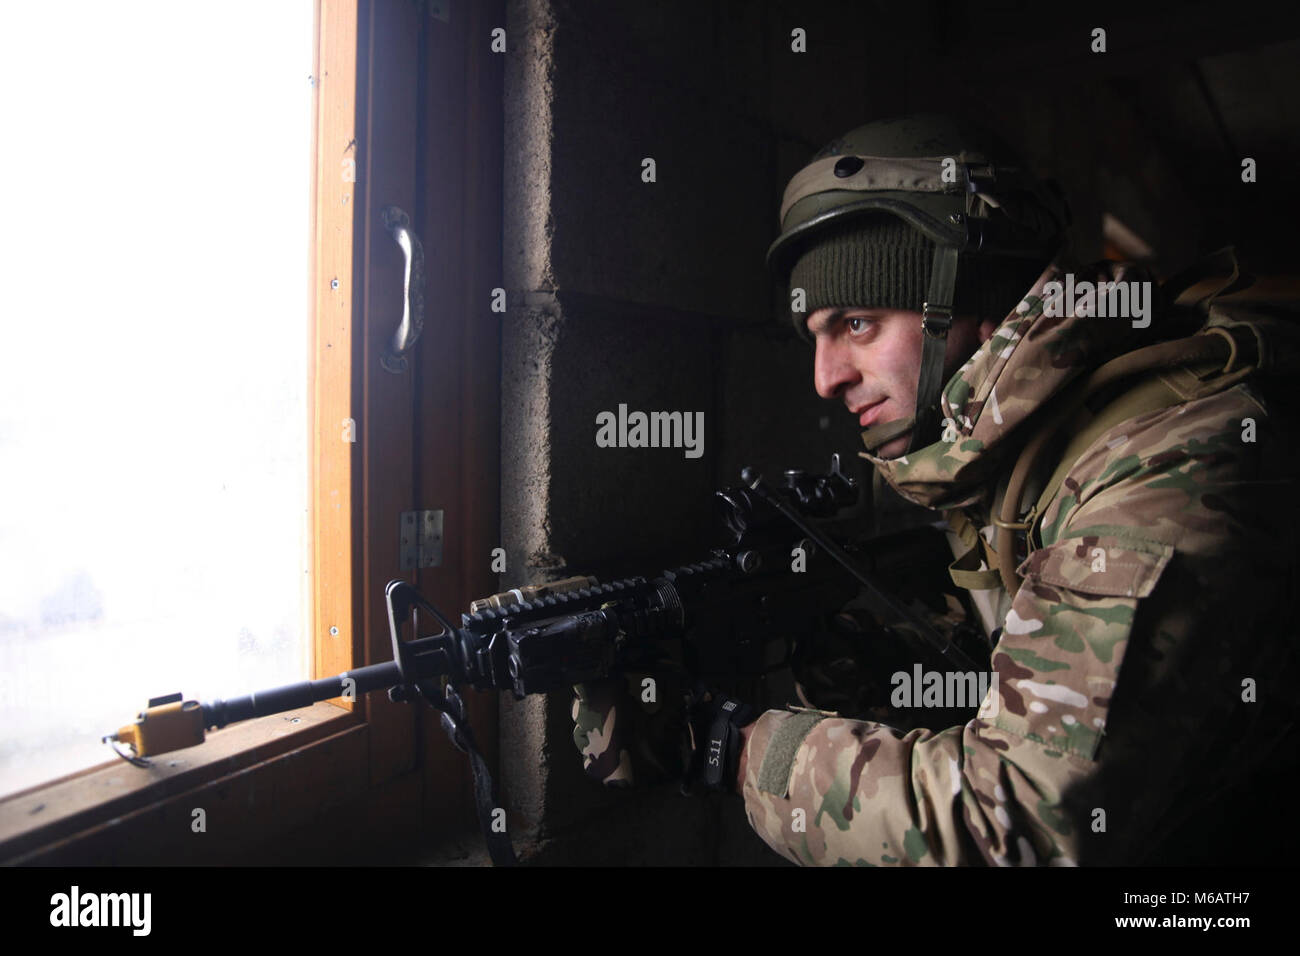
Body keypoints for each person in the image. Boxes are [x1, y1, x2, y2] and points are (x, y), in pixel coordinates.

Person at [573, 114, 1300, 865]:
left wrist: (730, 748)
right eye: (817, 335)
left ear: (970, 294)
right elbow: (1012, 646)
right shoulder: (1020, 455)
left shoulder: (1166, 470)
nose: (826, 378)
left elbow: (1011, 828)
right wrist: (846, 656)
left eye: (857, 322)